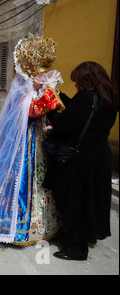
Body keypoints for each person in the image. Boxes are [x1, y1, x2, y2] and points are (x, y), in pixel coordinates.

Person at [0, 34, 63, 245]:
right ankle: (9, 225)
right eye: (41, 76)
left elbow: (42, 113)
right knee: (18, 181)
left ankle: (36, 226)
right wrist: (50, 93)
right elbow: (34, 111)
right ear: (31, 76)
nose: (44, 80)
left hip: (37, 143)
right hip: (21, 146)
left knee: (38, 181)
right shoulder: (24, 92)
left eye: (45, 76)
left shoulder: (38, 92)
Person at [43, 61, 119, 260]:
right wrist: (59, 95)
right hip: (99, 156)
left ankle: (76, 248)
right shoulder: (108, 97)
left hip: (81, 158)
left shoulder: (87, 99)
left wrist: (49, 107)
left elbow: (64, 123)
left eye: (78, 81)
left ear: (87, 80)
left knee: (75, 200)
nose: (75, 85)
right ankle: (86, 234)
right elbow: (80, 114)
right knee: (91, 199)